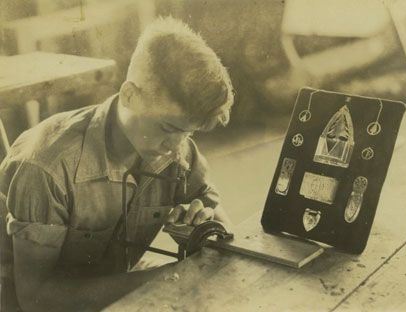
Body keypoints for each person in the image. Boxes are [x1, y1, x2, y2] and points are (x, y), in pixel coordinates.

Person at [0, 17, 234, 311]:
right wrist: (168, 278)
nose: (177, 150)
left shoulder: (177, 147)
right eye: (169, 130)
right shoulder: (47, 166)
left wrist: (206, 225)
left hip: (114, 283)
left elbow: (222, 226)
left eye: (188, 133)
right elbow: (36, 298)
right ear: (130, 96)